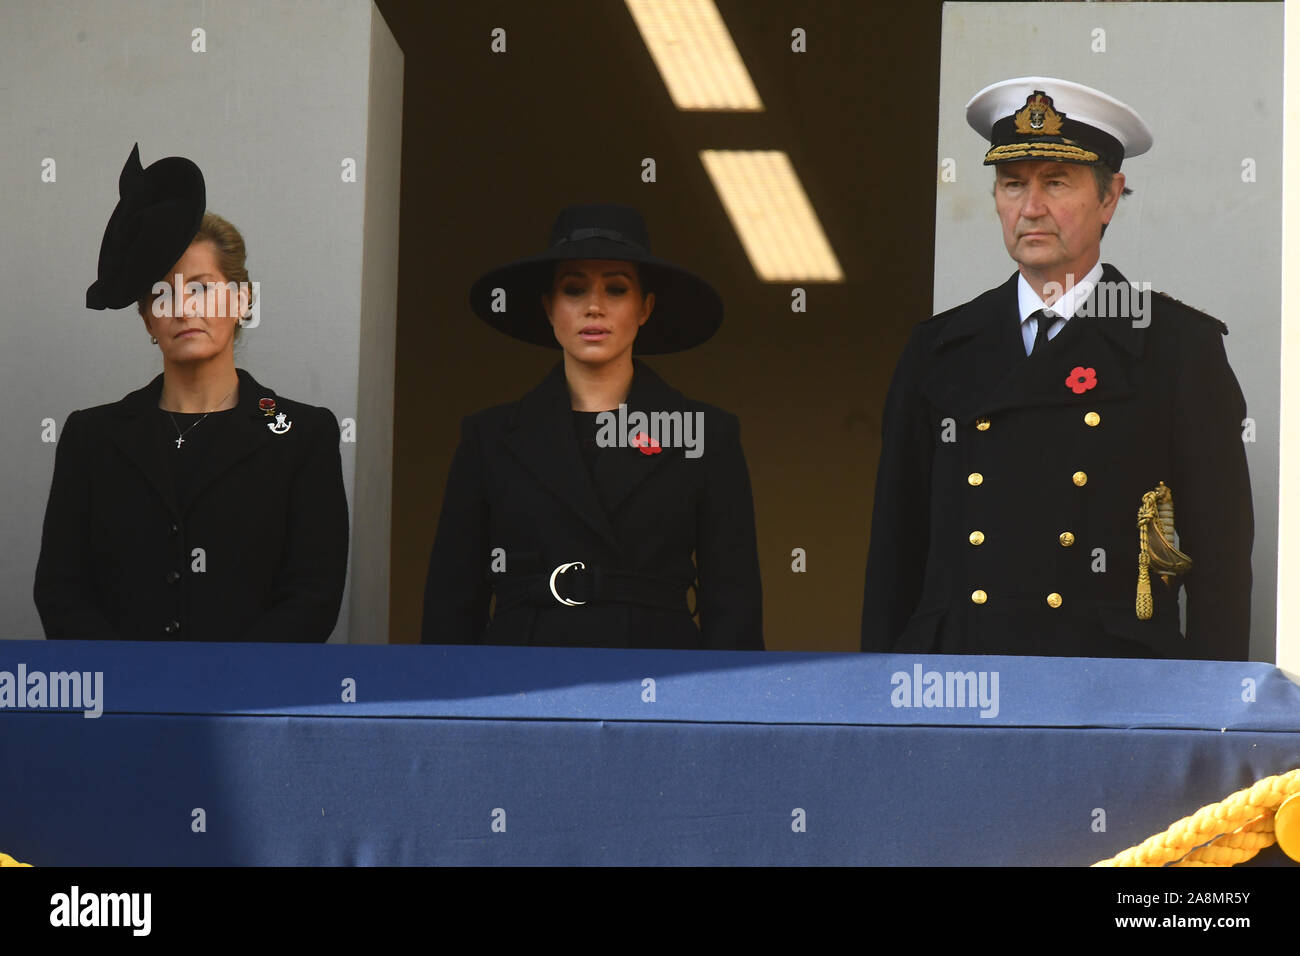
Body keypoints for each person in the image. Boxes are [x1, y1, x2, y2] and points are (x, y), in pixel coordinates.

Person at [861, 78, 1253, 660]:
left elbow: (1218, 564)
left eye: (1056, 183)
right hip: (958, 684)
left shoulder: (1176, 348)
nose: (1031, 207)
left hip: (1109, 691)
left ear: (1110, 197)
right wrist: (882, 707)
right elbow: (895, 553)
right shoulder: (939, 348)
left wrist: (1208, 722)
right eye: (1013, 184)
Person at [34, 144, 349, 642]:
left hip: (250, 705)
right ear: (146, 318)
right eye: (162, 292)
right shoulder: (91, 437)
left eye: (202, 287)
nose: (183, 307)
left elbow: (313, 594)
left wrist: (223, 685)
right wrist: (129, 683)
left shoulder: (300, 435)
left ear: (242, 299)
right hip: (120, 705)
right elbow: (61, 590)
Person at [421, 203, 763, 649]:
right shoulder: (488, 438)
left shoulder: (706, 434)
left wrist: (719, 707)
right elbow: (452, 601)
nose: (595, 307)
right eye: (574, 289)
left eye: (617, 289)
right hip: (519, 677)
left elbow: (733, 601)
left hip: (658, 678)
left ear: (645, 308)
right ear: (548, 308)